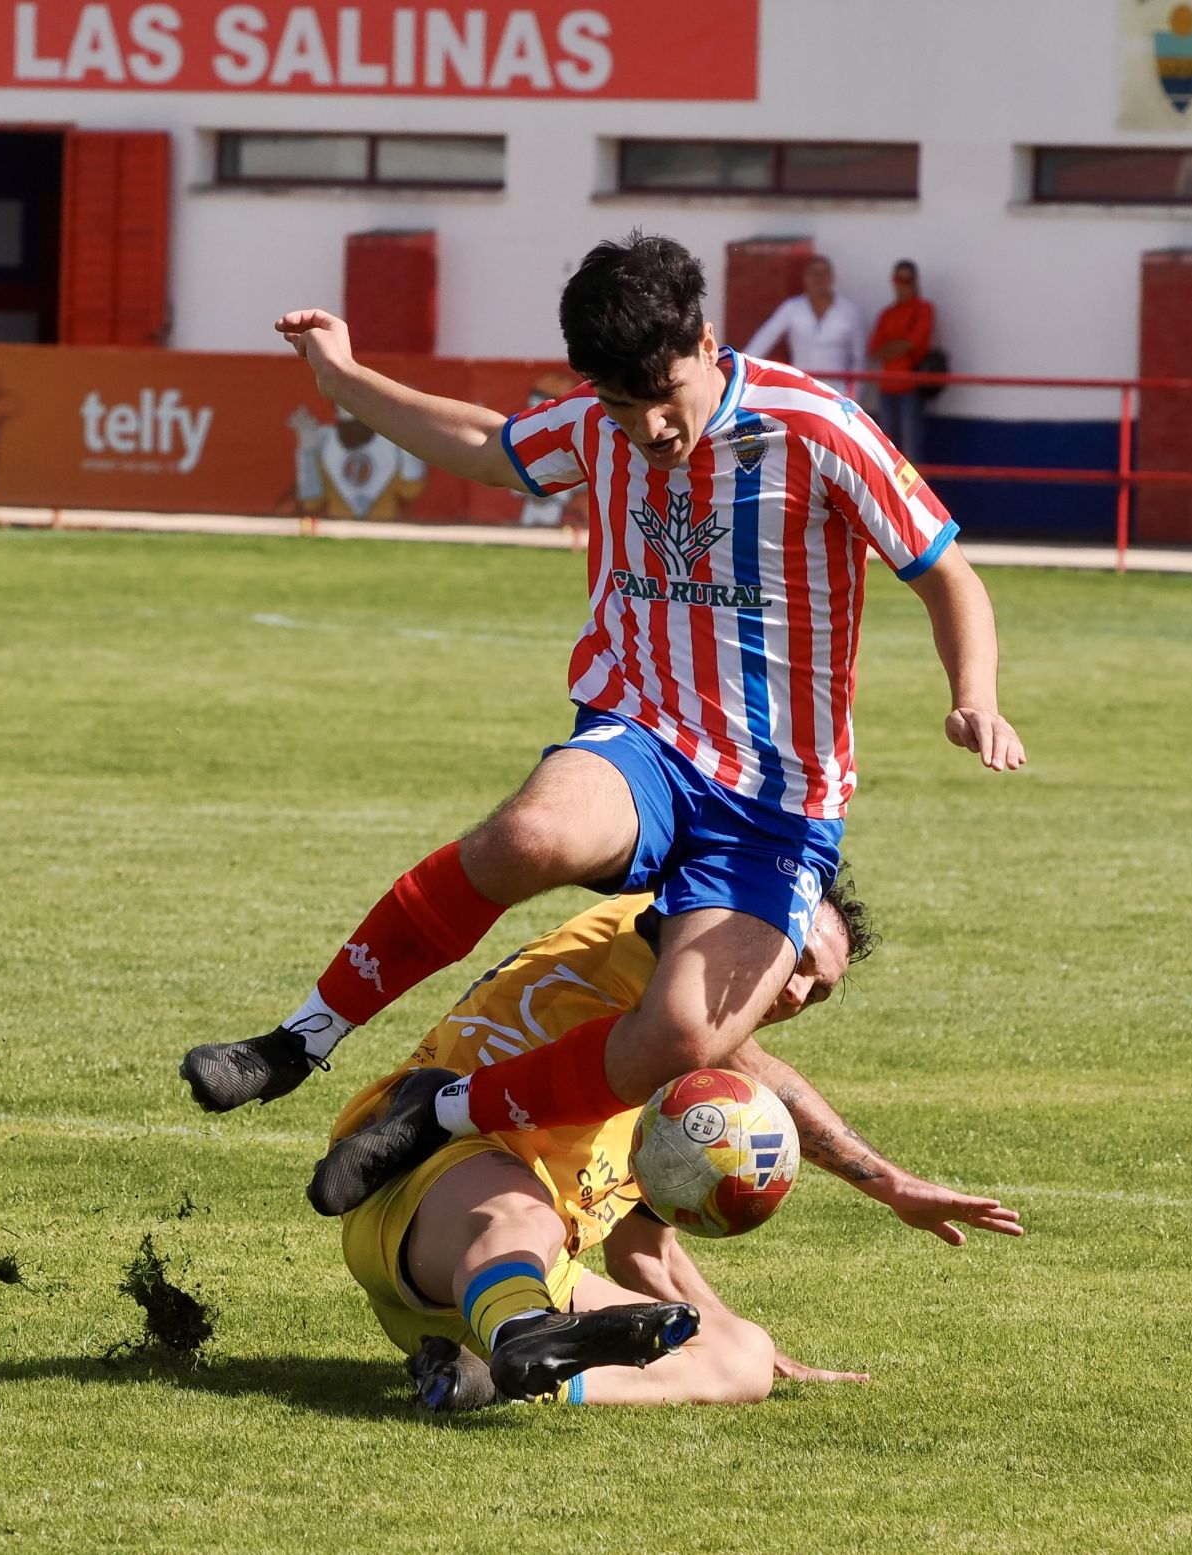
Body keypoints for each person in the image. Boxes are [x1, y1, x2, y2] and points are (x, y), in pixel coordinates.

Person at [180, 232, 1024, 1220]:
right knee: (531, 833)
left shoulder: (818, 427)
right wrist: (345, 374)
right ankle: (297, 1042)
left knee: (675, 1040)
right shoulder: (597, 424)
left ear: (708, 340)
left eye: (664, 395)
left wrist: (977, 694)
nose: (649, 428)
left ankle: (437, 1113)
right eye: (624, 407)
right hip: (647, 734)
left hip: (778, 807)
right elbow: (484, 445)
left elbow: (948, 576)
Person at [325, 883, 1022, 1408]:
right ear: (757, 924)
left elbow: (642, 1251)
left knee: (741, 1356)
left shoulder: (685, 1092)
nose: (798, 990)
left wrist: (730, 1336)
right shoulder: (657, 935)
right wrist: (890, 1184)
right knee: (528, 1212)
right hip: (413, 1183)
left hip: (484, 1291)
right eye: (798, 958)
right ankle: (521, 1334)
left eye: (820, 993)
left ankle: (494, 1376)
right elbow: (764, 1076)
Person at [740, 254, 865, 388]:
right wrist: (742, 367)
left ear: (832, 277)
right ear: (805, 278)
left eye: (823, 273)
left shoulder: (849, 311)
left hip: (838, 390)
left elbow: (859, 357)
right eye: (814, 273)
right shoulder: (791, 308)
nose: (819, 279)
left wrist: (854, 394)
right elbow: (764, 338)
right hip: (801, 387)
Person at [867, 259, 938, 461]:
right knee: (887, 453)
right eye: (900, 279)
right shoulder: (886, 314)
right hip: (886, 390)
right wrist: (899, 346)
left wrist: (893, 346)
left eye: (908, 279)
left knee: (911, 453)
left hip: (912, 390)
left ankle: (915, 494)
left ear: (916, 282)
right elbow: (874, 351)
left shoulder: (924, 309)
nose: (903, 284)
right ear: (893, 281)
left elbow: (912, 343)